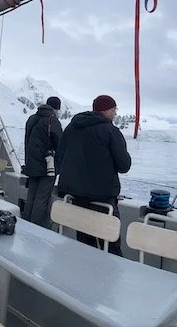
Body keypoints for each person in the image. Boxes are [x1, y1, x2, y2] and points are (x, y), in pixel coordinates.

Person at [55, 95, 130, 256]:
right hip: (103, 197)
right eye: (114, 109)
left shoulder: (72, 127)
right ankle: (111, 271)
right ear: (106, 110)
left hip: (76, 196)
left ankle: (86, 270)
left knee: (85, 244)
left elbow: (60, 157)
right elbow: (124, 165)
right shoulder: (110, 131)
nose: (115, 113)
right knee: (110, 245)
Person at [21, 97, 64, 227]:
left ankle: (26, 225)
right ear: (56, 109)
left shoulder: (32, 119)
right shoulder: (53, 121)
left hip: (32, 164)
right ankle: (36, 228)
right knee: (42, 198)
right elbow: (60, 144)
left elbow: (28, 140)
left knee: (31, 196)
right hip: (48, 167)